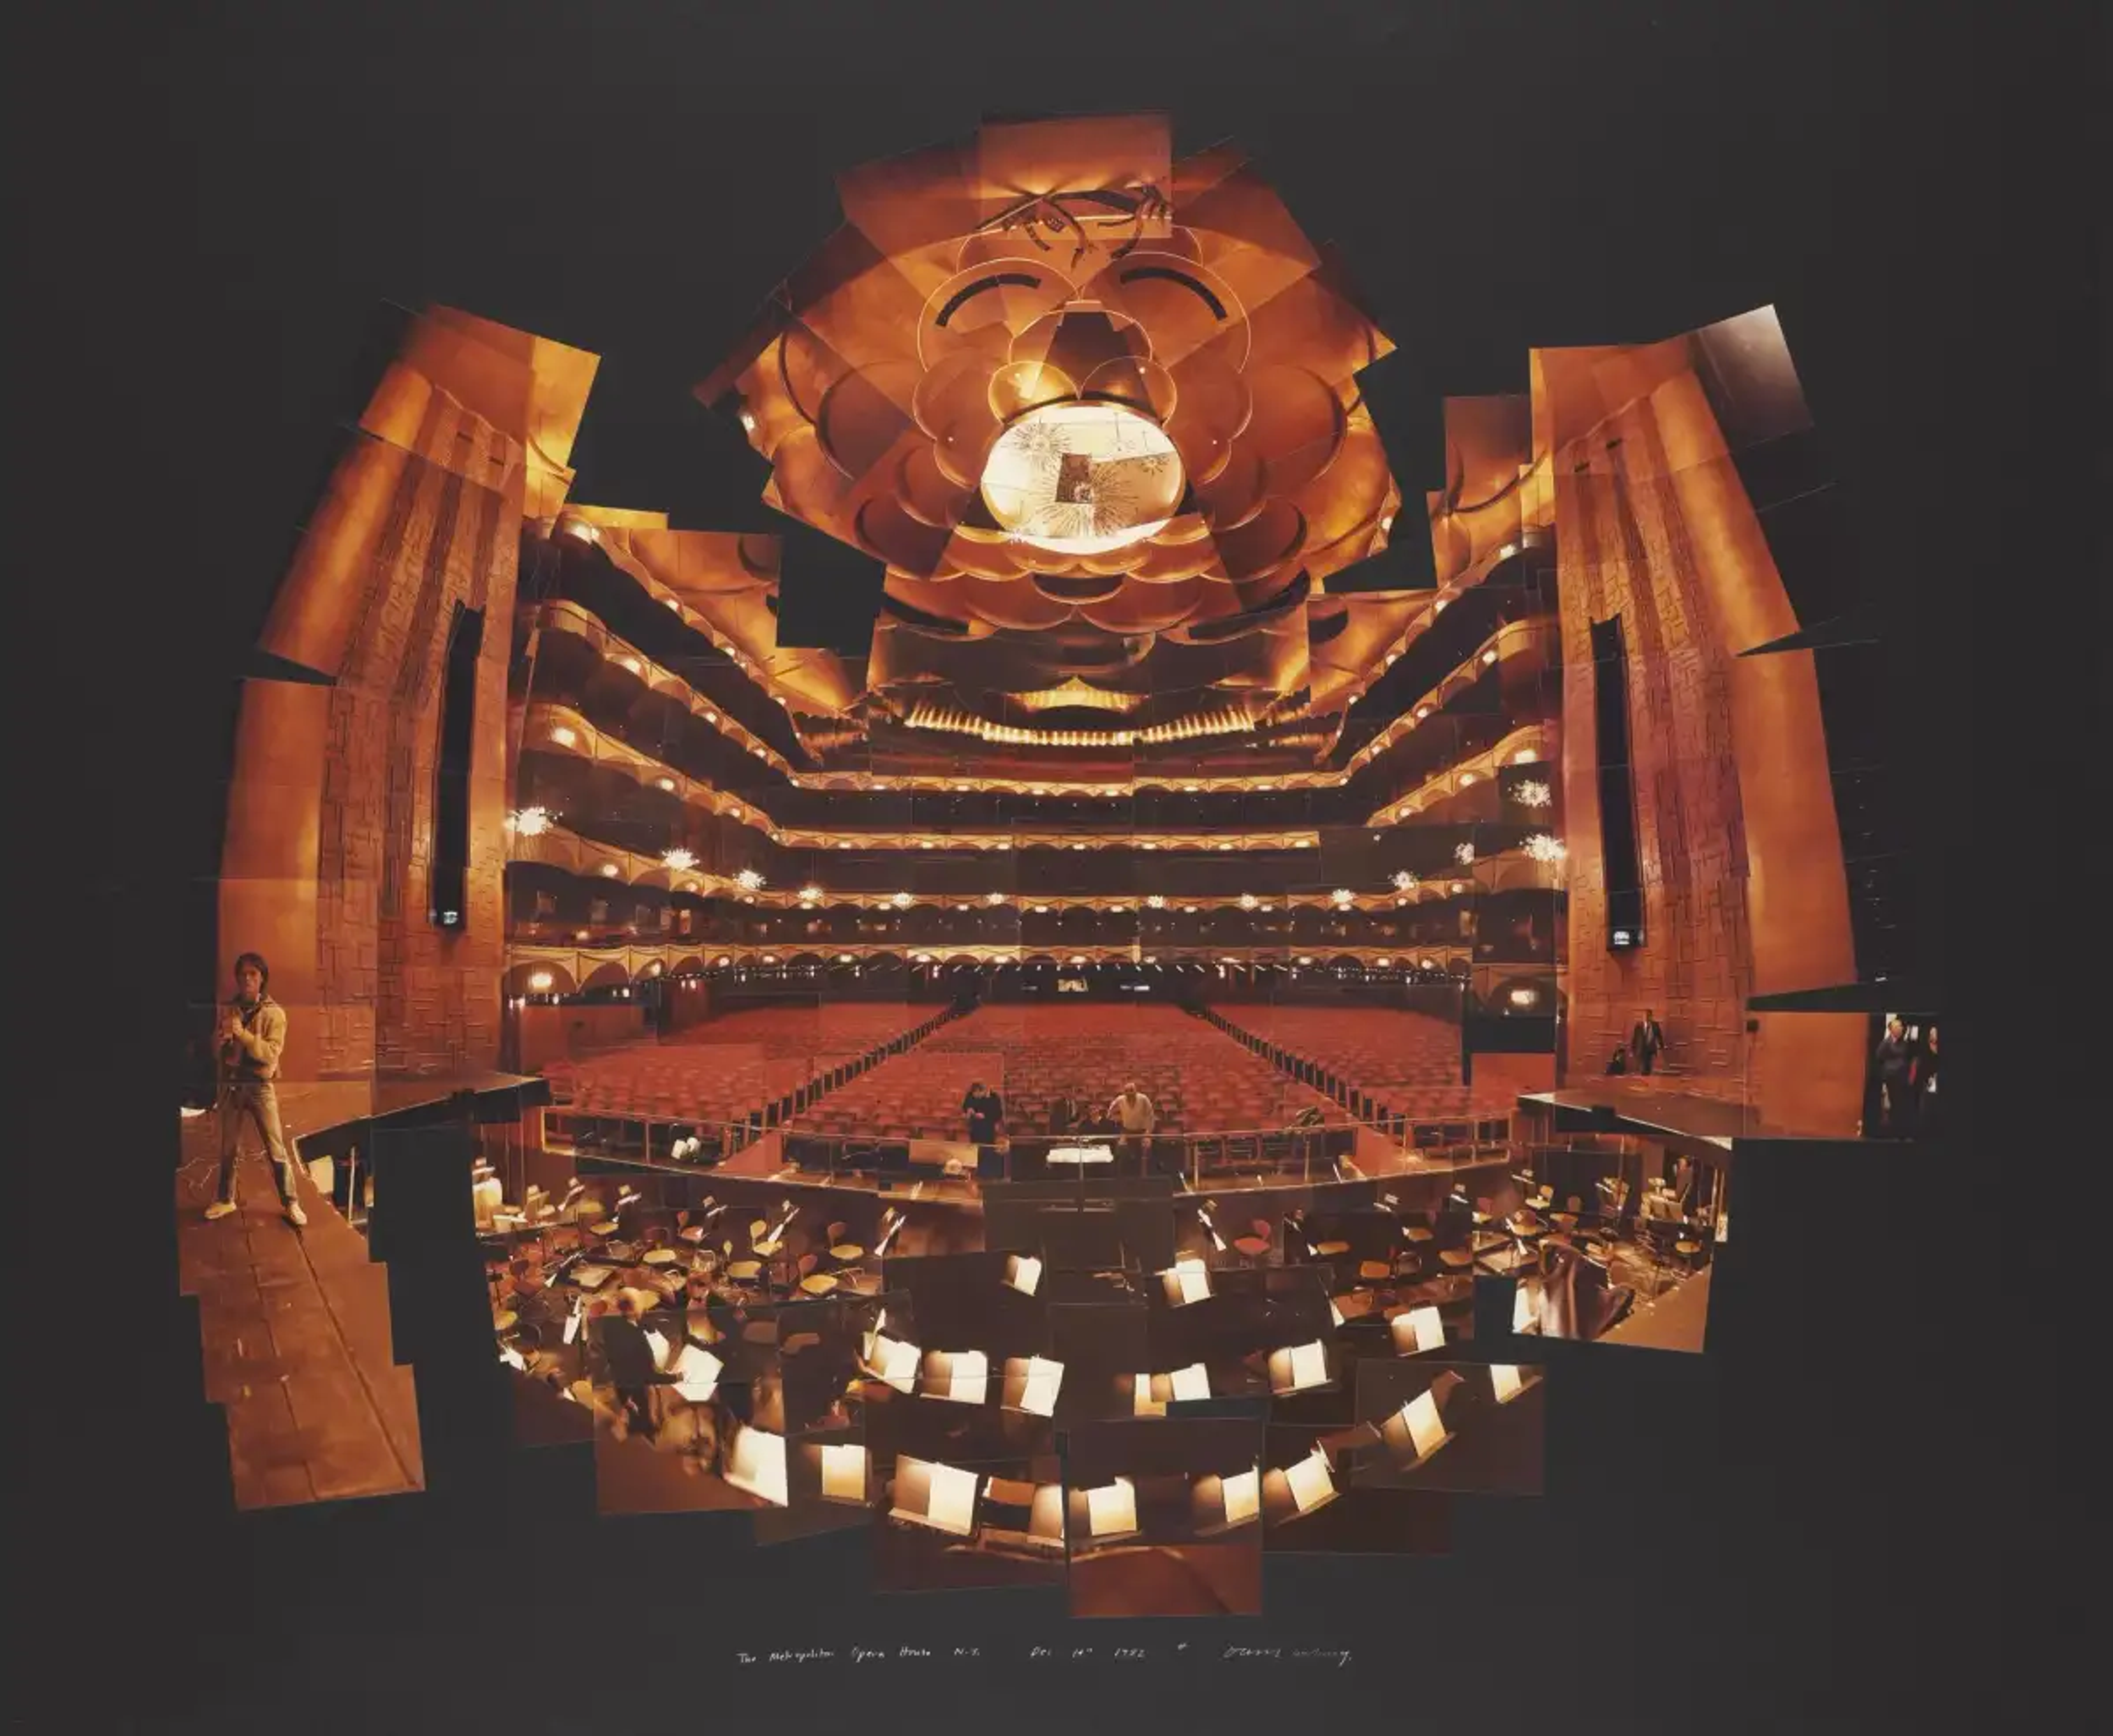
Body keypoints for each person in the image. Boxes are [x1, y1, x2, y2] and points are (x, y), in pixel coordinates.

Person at [205, 952, 307, 1227]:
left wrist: (243, 1036)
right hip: (233, 1086)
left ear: (262, 978)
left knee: (276, 1149)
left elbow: (270, 1055)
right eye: (242, 975)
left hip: (261, 1087)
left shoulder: (276, 1014)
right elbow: (216, 1054)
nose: (247, 979)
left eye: (253, 974)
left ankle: (291, 1203)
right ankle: (226, 1199)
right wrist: (219, 1042)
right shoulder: (229, 1010)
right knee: (229, 1148)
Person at [599, 1292, 677, 1441]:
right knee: (643, 1419)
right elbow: (649, 1376)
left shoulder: (616, 1325)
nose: (643, 1310)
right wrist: (675, 1377)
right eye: (640, 1307)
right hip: (634, 1389)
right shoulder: (632, 1340)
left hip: (631, 1382)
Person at [1874, 1016, 1914, 1135]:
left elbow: (1908, 1057)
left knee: (1902, 1103)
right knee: (1895, 1102)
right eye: (1898, 1027)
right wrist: (1890, 1066)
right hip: (1892, 1077)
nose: (1901, 1028)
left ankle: (1901, 1127)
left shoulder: (1904, 1043)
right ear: (1891, 1029)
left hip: (1903, 1077)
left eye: (1901, 1026)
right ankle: (1894, 1127)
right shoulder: (1887, 1043)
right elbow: (1879, 1056)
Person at [1107, 1081, 1156, 1175]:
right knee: (1120, 1151)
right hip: (1127, 1131)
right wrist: (1110, 1114)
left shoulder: (1144, 1099)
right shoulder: (1121, 1099)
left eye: (1132, 1091)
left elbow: (1151, 1116)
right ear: (1124, 1093)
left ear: (1136, 1091)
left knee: (1145, 1154)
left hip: (1142, 1132)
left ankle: (1145, 1178)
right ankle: (1123, 1177)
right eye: (1127, 1091)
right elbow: (1112, 1106)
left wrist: (1148, 1134)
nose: (1130, 1093)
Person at [961, 1080, 1005, 1147]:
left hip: (988, 1128)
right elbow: (965, 1107)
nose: (977, 1097)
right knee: (975, 1147)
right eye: (975, 1094)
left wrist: (985, 1116)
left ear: (983, 1091)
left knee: (987, 1148)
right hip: (975, 1127)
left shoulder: (994, 1097)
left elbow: (998, 1114)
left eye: (978, 1094)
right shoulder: (970, 1095)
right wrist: (969, 1110)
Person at [1629, 1009, 1666, 1077]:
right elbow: (1635, 1038)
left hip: (1651, 1049)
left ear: (1651, 1016)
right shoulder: (1639, 1025)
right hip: (1641, 1048)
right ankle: (1644, 1078)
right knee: (1644, 1067)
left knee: (1648, 1066)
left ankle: (1647, 1077)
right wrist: (1632, 1049)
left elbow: (1659, 1036)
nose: (1646, 1017)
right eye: (1645, 1016)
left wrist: (1662, 1046)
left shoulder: (1655, 1025)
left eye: (1648, 1016)